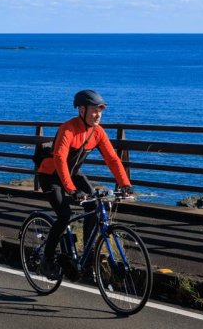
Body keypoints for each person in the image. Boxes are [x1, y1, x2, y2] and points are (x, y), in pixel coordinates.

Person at [35, 89, 133, 280]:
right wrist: (71, 190)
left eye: (100, 111)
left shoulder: (98, 132)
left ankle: (86, 255)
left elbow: (112, 159)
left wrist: (125, 184)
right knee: (64, 215)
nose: (98, 115)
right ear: (81, 109)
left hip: (72, 174)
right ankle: (47, 259)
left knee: (95, 204)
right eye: (94, 110)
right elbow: (60, 159)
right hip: (51, 176)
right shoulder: (68, 128)